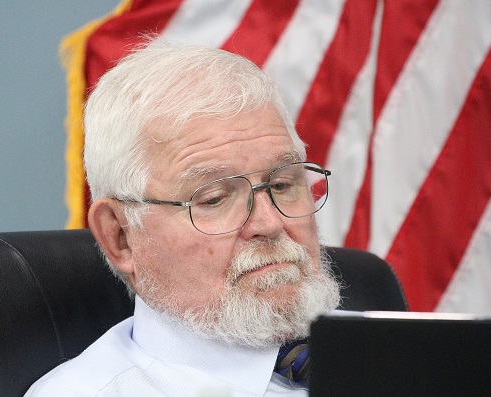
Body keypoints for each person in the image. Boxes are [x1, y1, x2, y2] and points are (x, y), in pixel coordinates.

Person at [25, 38, 341, 396]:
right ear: (121, 236)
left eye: (283, 184)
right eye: (215, 198)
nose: (269, 223)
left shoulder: (393, 348)